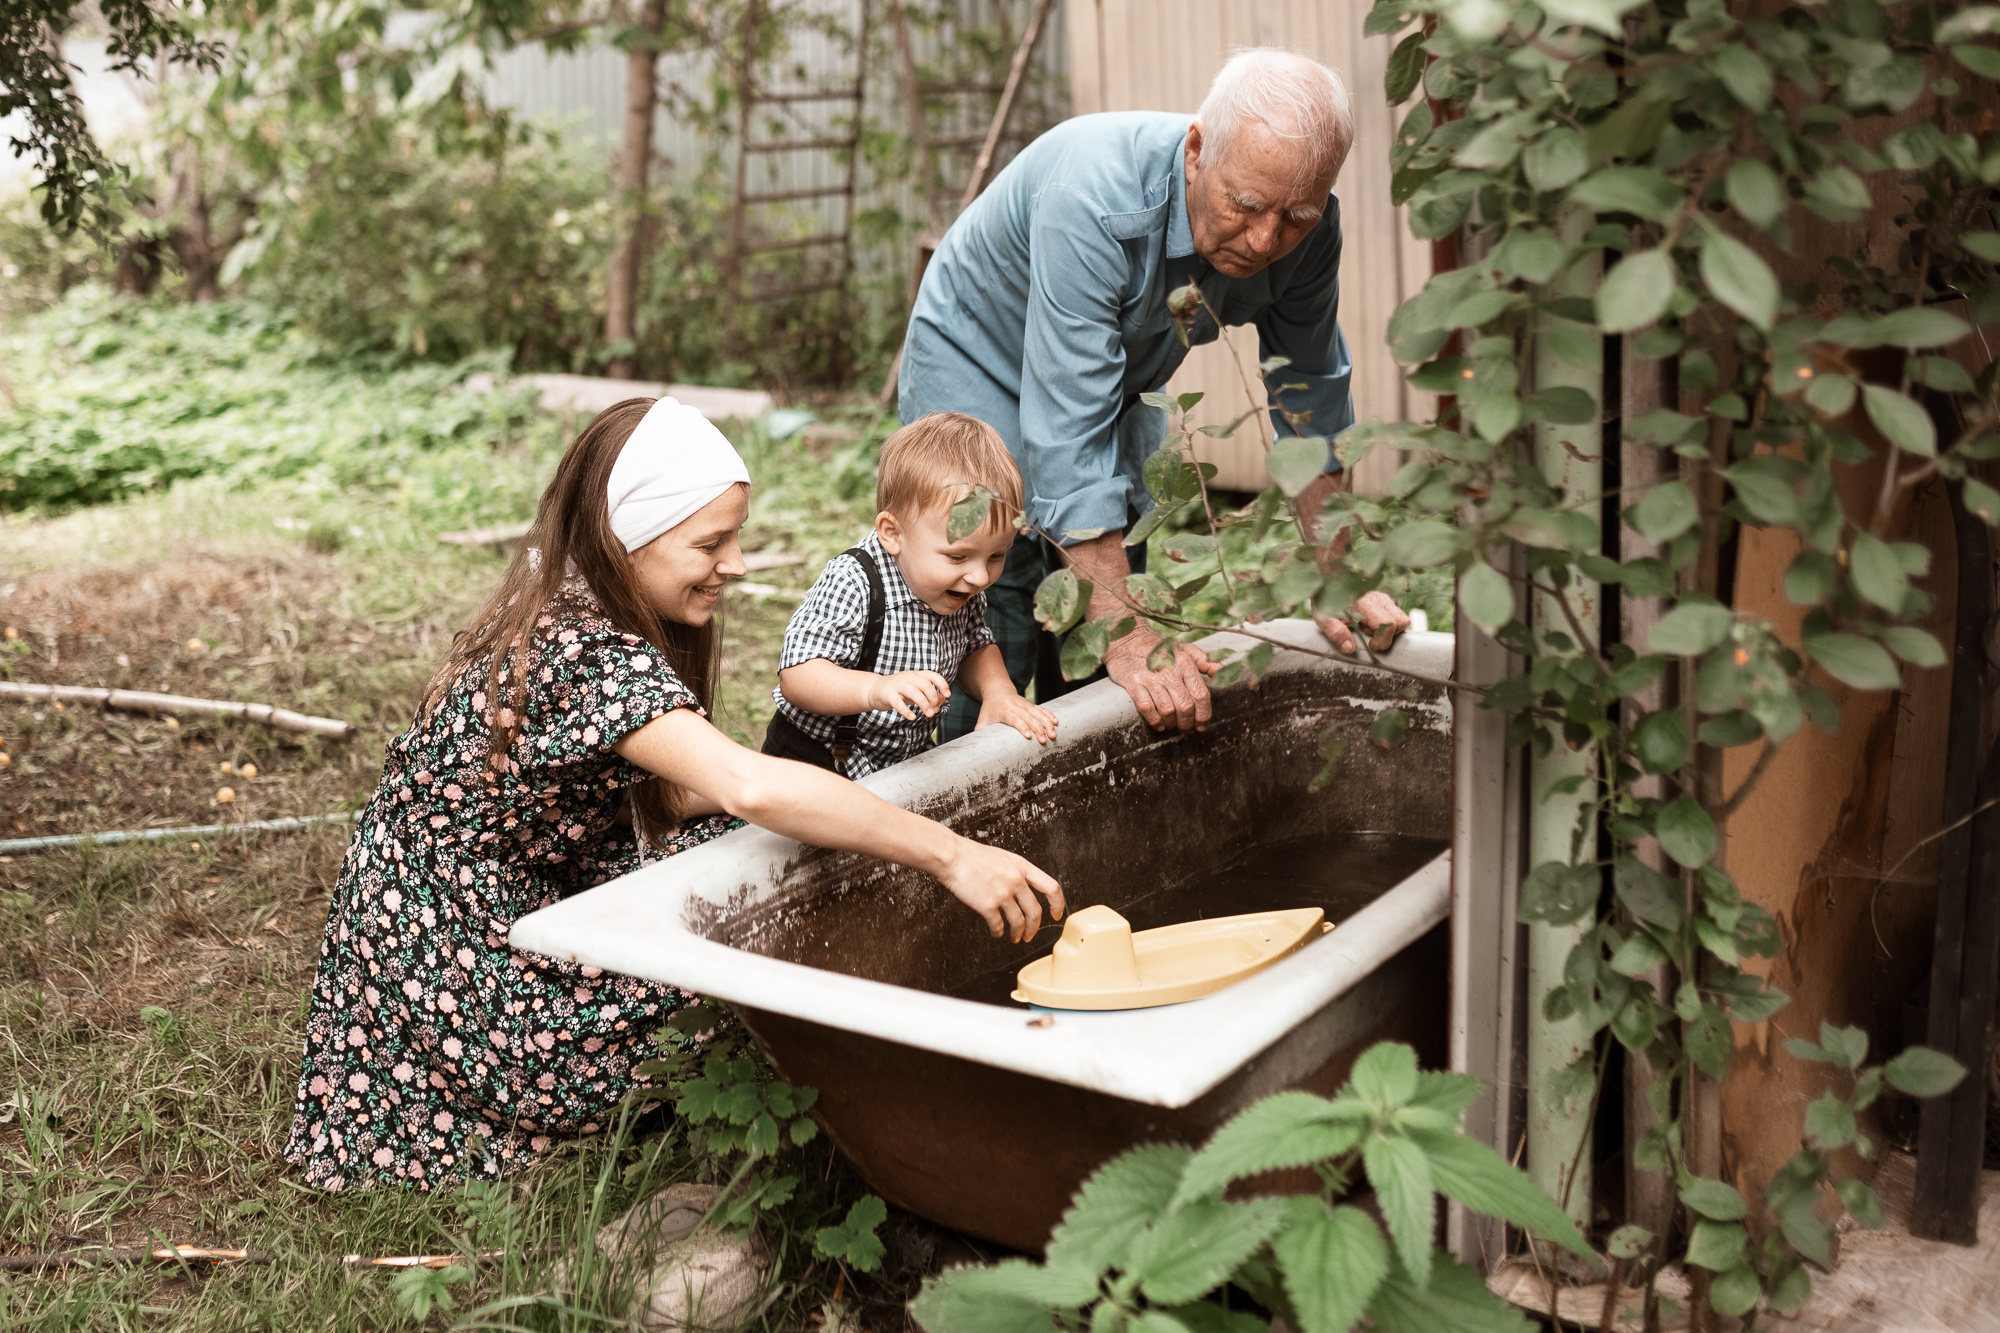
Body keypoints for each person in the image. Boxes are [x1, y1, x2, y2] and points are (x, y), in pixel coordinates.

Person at [285, 397, 1064, 1191]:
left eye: (737, 536)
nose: (736, 563)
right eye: (710, 542)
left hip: (485, 900)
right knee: (748, 936)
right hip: (464, 973)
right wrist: (951, 854)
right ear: (631, 538)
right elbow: (750, 783)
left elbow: (673, 795)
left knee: (768, 851)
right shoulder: (584, 653)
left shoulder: (568, 597)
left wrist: (827, 810)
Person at [901, 47, 1411, 742]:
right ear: (1197, 151)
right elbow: (1067, 427)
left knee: (1109, 634)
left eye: (1296, 216)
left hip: (1107, 382)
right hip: (975, 353)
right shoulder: (1096, 197)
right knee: (990, 591)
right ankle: (946, 813)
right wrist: (1123, 630)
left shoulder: (1306, 232)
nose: (1266, 240)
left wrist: (1337, 575)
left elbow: (1311, 391)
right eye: (1247, 205)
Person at [760, 412, 1059, 779]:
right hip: (816, 759)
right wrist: (875, 689)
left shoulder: (959, 585)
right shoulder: (855, 582)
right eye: (957, 556)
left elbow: (974, 646)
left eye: (997, 555)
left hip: (901, 760)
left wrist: (999, 692)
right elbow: (799, 676)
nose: (980, 576)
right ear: (892, 533)